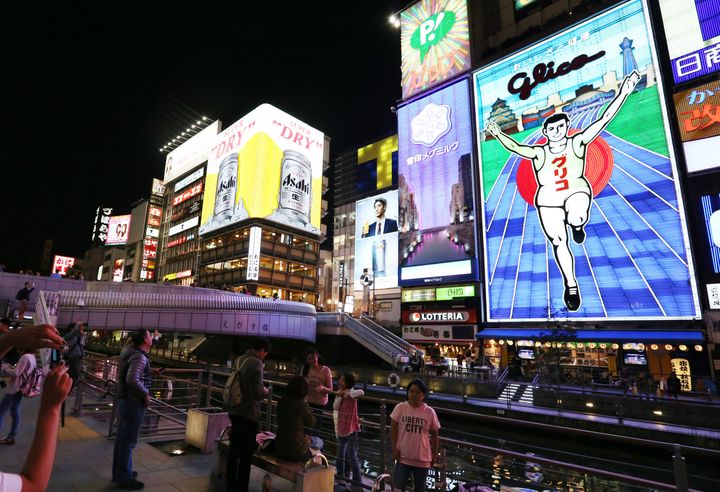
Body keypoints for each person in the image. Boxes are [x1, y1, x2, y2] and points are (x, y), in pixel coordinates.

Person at [486, 70, 641, 311]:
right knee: (559, 241)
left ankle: (578, 225)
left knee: (577, 215)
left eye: (561, 126)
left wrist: (624, 91)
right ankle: (571, 284)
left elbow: (603, 119)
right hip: (548, 201)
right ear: (546, 133)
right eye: (553, 128)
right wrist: (497, 133)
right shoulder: (539, 152)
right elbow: (516, 147)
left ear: (567, 127)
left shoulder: (576, 142)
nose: (558, 130)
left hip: (576, 191)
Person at [226, 337, 271, 492]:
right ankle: (242, 486)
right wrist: (265, 391)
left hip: (234, 409)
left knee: (234, 449)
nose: (264, 356)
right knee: (246, 452)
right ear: (262, 350)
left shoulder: (240, 359)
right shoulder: (257, 362)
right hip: (247, 413)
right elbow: (258, 393)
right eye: (265, 353)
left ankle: (230, 483)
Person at [112, 329, 153, 490]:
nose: (152, 337)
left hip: (124, 400)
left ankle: (120, 472)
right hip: (133, 401)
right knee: (129, 441)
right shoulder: (140, 356)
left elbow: (133, 374)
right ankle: (124, 477)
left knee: (122, 439)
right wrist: (145, 394)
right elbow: (132, 379)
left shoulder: (130, 352)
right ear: (144, 340)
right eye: (150, 335)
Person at [390, 379, 441, 492]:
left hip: (422, 459)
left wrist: (434, 455)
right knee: (398, 488)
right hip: (403, 457)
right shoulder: (400, 407)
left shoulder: (429, 412)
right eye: (411, 391)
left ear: (423, 395)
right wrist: (394, 448)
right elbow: (393, 428)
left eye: (418, 392)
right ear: (407, 393)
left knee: (419, 489)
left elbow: (434, 434)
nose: (414, 394)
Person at [275, 375, 319, 461]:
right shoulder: (301, 404)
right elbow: (312, 422)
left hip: (280, 447)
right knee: (319, 443)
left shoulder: (282, 401)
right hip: (296, 451)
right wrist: (306, 404)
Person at [333, 373, 364, 490]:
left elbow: (362, 392)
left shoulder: (352, 392)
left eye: (343, 380)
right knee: (340, 455)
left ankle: (357, 480)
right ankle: (341, 477)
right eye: (340, 380)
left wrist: (349, 394)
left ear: (349, 383)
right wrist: (340, 396)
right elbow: (335, 407)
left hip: (352, 427)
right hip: (341, 427)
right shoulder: (339, 392)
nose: (340, 382)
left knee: (352, 455)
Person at [0, 347, 36, 445]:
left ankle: (11, 436)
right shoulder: (32, 357)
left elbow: (16, 372)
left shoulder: (26, 357)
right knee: (15, 411)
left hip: (15, 389)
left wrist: (3, 366)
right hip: (20, 388)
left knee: (1, 412)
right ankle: (11, 436)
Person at [301, 347, 333, 436]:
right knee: (305, 428)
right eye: (309, 359)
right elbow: (301, 384)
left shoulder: (326, 370)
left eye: (313, 358)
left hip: (319, 405)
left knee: (315, 429)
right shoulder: (305, 369)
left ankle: (313, 448)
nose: (311, 361)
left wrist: (322, 388)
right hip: (307, 402)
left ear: (317, 356)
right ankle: (305, 448)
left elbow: (330, 390)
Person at [63, 322, 86, 390]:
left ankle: (70, 388)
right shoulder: (71, 335)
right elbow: (66, 339)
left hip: (78, 356)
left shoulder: (79, 336)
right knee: (74, 373)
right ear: (72, 329)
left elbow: (82, 345)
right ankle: (69, 388)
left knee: (76, 373)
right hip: (74, 356)